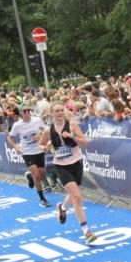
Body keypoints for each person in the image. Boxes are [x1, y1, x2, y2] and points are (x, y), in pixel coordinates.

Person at [39, 102, 98, 245]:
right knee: (77, 198)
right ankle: (87, 232)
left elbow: (84, 143)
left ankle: (62, 207)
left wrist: (72, 137)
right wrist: (46, 147)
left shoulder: (72, 126)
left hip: (76, 162)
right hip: (61, 165)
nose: (59, 113)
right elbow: (40, 145)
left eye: (61, 110)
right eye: (56, 111)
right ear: (52, 113)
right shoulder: (48, 130)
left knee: (73, 195)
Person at [7, 105, 51, 207]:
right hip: (26, 151)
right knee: (37, 176)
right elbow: (10, 137)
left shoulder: (37, 120)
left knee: (42, 175)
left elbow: (47, 131)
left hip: (39, 150)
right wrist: (16, 147)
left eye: (29, 110)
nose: (27, 112)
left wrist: (41, 137)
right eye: (24, 111)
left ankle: (29, 176)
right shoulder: (17, 125)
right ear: (20, 113)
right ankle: (42, 198)